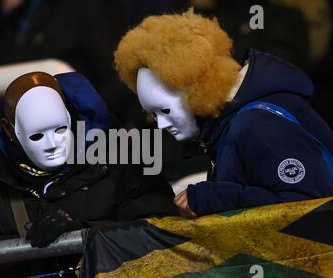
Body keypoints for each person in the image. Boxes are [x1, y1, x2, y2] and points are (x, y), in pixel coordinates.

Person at [0, 71, 179, 278]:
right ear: (9, 130)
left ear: (70, 116)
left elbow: (163, 243)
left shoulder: (122, 158)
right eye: (37, 135)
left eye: (60, 129)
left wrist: (85, 236)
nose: (51, 144)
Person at [114, 9, 333, 216]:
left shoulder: (257, 123)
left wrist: (211, 197)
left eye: (165, 110)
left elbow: (308, 207)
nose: (162, 125)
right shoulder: (228, 125)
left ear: (198, 90)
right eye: (154, 114)